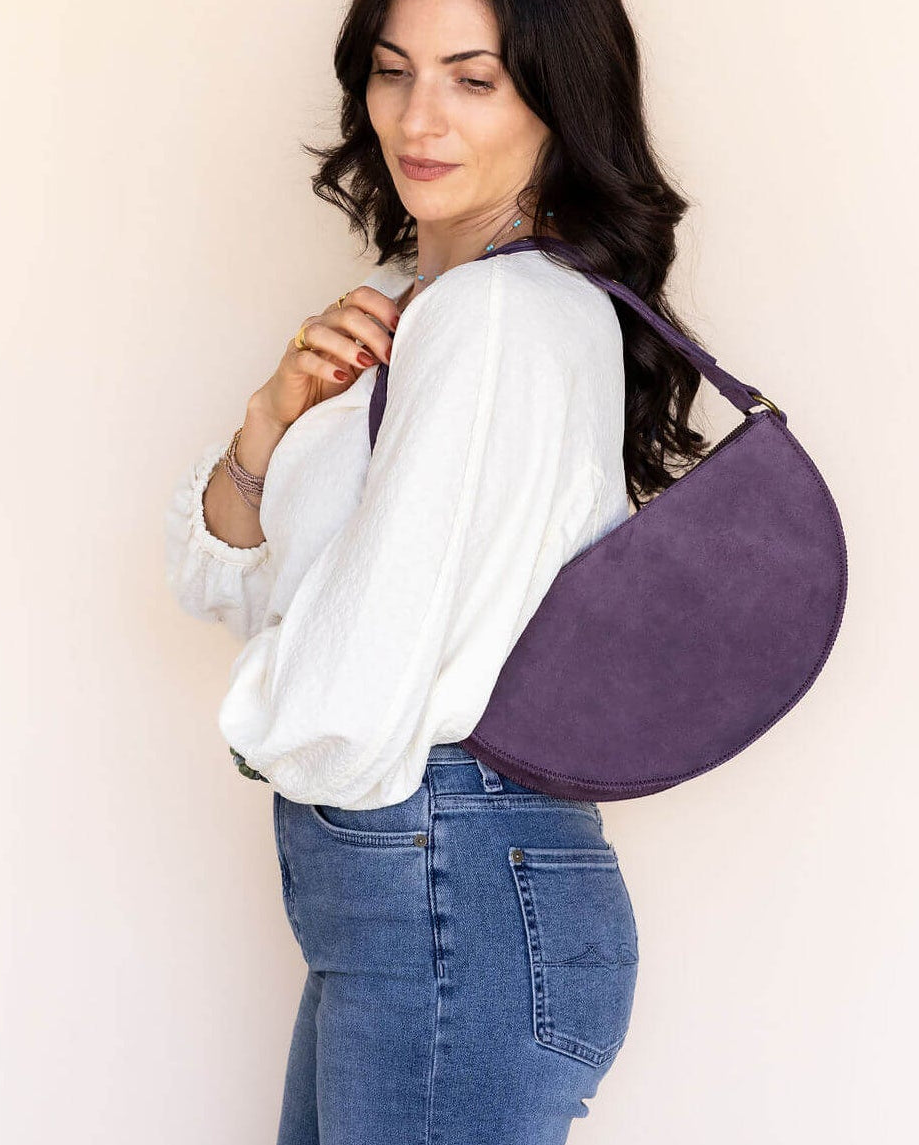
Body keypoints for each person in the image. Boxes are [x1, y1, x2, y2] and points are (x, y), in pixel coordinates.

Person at [165, 0, 715, 1140]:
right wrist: (273, 421)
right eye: (392, 72)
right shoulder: (433, 314)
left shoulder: (502, 314)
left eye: (475, 80)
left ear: (559, 101)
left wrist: (270, 728)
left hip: (445, 884)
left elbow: (358, 667)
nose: (419, 118)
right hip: (427, 893)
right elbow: (238, 588)